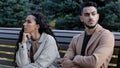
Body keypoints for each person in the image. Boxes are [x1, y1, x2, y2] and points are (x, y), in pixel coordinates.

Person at [62, 1, 114, 68]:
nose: (91, 17)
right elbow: (65, 63)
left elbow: (94, 63)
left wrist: (76, 58)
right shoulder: (76, 39)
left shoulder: (106, 36)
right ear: (81, 18)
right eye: (87, 15)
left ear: (97, 16)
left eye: (93, 14)